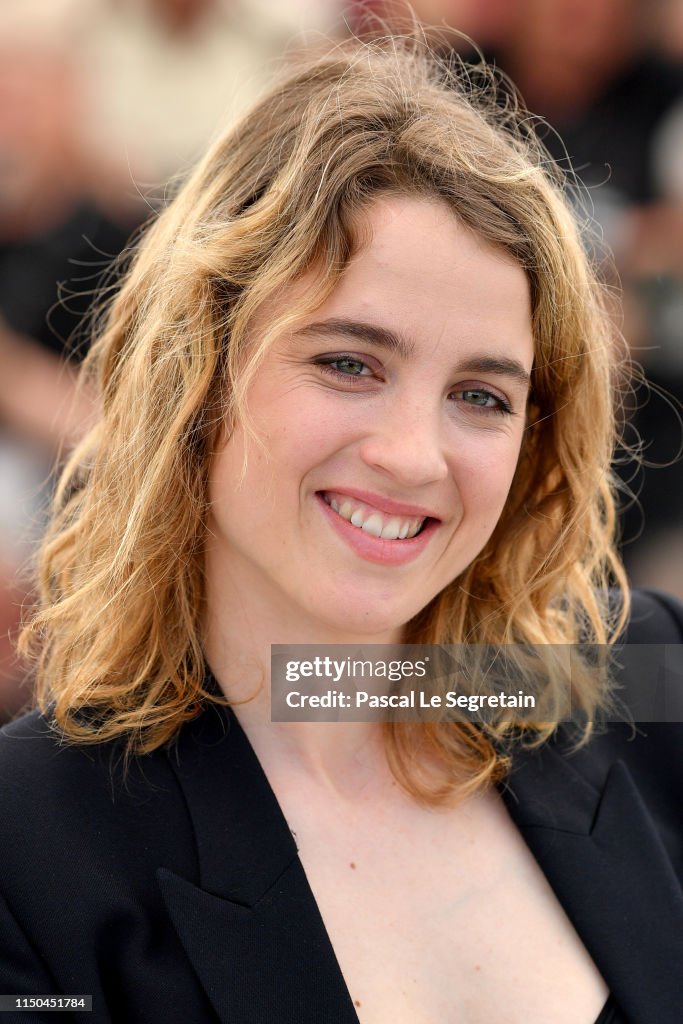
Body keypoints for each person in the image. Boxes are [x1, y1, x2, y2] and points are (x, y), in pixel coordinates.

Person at [0, 36, 681, 1024]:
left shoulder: (647, 677)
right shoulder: (30, 846)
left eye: (481, 395)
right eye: (349, 363)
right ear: (200, 373)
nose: (413, 454)